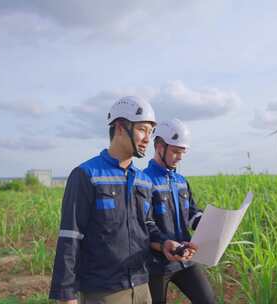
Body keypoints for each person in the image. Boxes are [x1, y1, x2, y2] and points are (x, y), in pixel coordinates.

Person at [49, 97, 194, 304]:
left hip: (142, 287)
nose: (147, 138)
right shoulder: (87, 174)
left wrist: (164, 244)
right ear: (119, 127)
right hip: (104, 291)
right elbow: (70, 236)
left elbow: (147, 225)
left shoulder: (143, 181)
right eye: (142, 130)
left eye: (150, 132)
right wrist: (66, 294)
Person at [144, 118, 216, 304]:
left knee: (207, 300)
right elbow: (145, 223)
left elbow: (191, 213)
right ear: (159, 146)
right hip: (156, 265)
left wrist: (207, 223)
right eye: (176, 151)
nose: (180, 157)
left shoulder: (181, 181)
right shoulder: (144, 181)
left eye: (182, 152)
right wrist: (164, 243)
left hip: (185, 259)